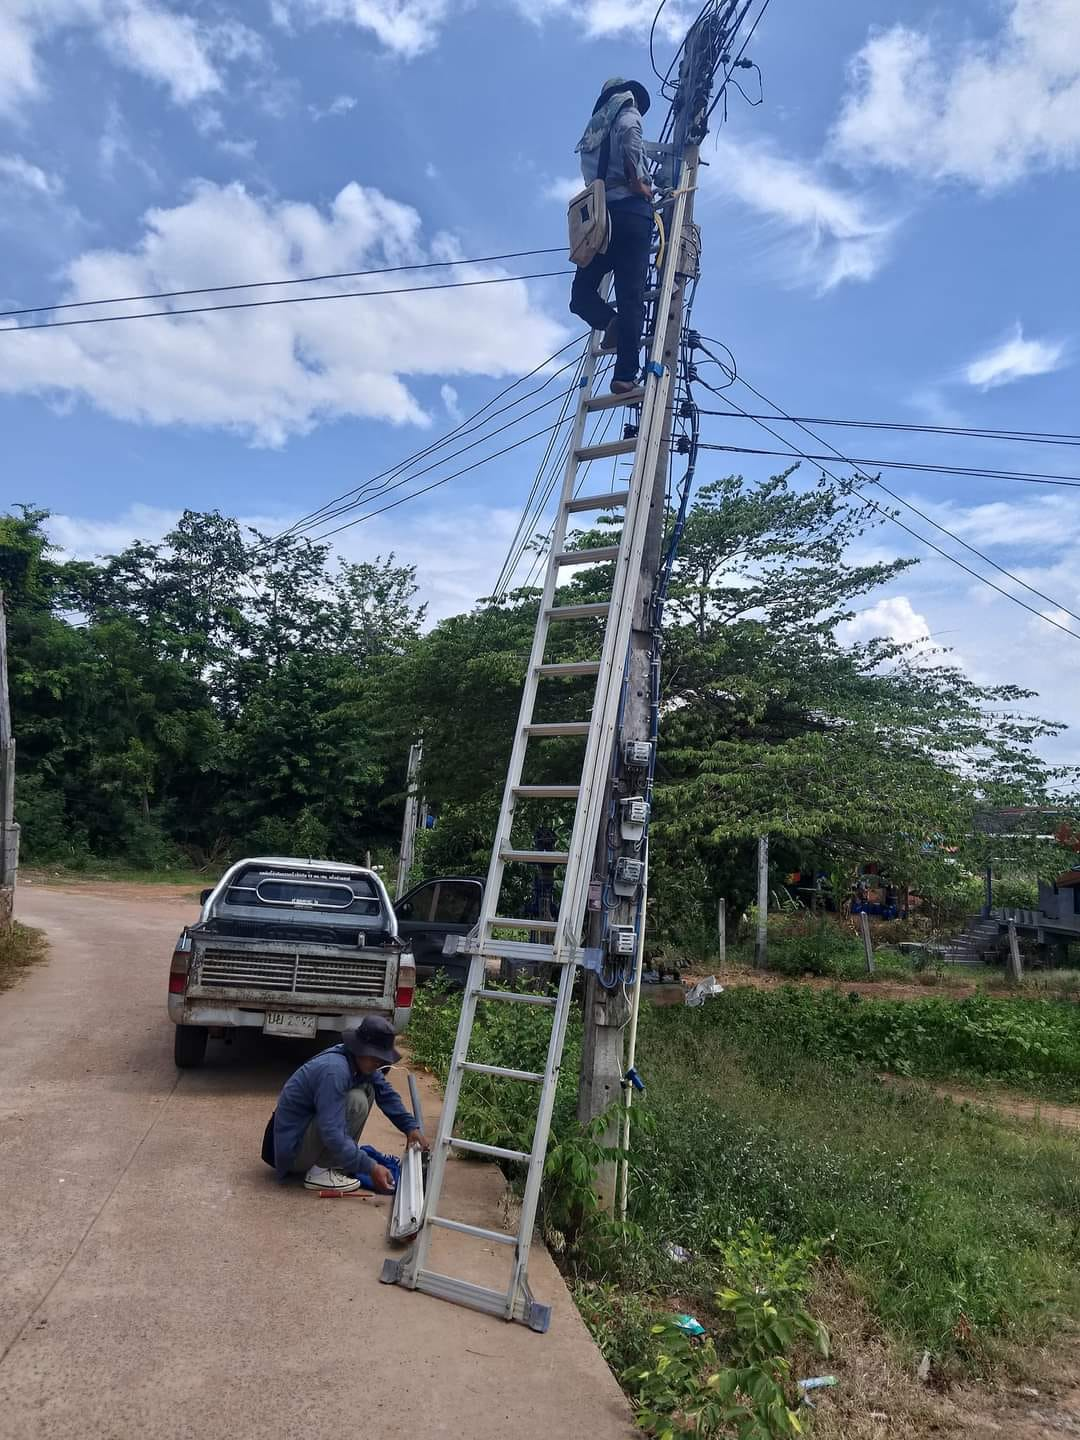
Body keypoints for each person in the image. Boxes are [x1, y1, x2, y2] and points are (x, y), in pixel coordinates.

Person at [264, 1015, 430, 1194]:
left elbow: (386, 1093)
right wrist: (370, 1168)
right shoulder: (334, 1071)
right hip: (291, 1153)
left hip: (300, 1137)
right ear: (361, 1048)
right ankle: (320, 1172)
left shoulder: (355, 1059)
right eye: (377, 1057)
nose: (379, 1063)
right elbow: (331, 1131)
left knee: (369, 1089)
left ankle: (331, 1164)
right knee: (356, 1101)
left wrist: (410, 1127)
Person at [569, 76, 655, 396]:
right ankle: (625, 373)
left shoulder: (593, 132)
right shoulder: (627, 115)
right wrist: (638, 181)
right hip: (632, 214)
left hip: (602, 220)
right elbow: (633, 137)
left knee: (581, 294)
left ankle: (610, 323)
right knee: (631, 295)